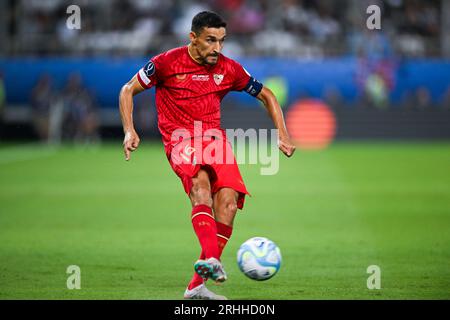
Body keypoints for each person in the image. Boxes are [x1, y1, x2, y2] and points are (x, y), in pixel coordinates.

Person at [119, 11, 295, 300]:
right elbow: (127, 90)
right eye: (210, 40)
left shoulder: (229, 69)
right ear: (193, 38)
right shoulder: (166, 63)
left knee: (227, 205)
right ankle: (212, 259)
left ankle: (196, 287)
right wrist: (129, 130)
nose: (217, 48)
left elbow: (268, 96)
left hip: (215, 140)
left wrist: (283, 133)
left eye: (222, 41)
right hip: (180, 139)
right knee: (200, 188)